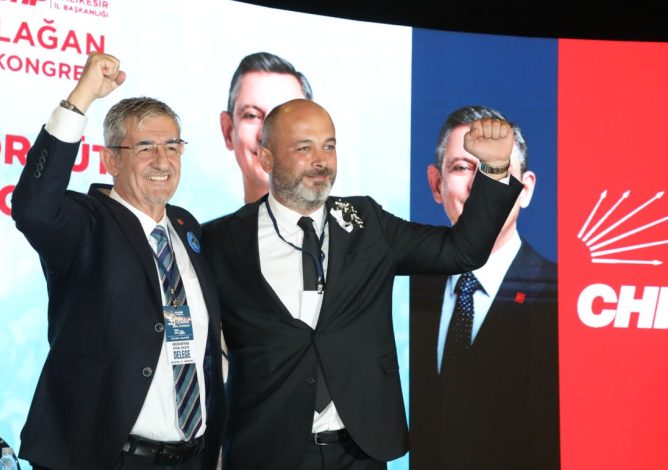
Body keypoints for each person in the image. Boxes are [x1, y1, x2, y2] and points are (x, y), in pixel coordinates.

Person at [202, 99, 523, 470]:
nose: (321, 161)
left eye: (329, 146)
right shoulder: (220, 241)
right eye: (304, 148)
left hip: (360, 450)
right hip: (266, 450)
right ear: (267, 158)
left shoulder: (367, 222)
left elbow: (461, 251)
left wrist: (494, 169)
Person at [11, 52, 225, 470]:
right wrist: (82, 97)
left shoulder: (187, 228)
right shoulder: (88, 224)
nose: (162, 161)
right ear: (111, 160)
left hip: (191, 459)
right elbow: (33, 209)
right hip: (104, 458)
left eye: (172, 146)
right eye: (145, 148)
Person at [409, 105, 559, 470]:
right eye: (462, 167)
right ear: (436, 183)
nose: (480, 185)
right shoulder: (406, 293)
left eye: (496, 169)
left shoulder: (560, 298)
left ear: (525, 189)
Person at [219, 52, 313, 203]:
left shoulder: (349, 216)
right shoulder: (195, 220)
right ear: (228, 131)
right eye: (252, 116)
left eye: (287, 117)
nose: (267, 135)